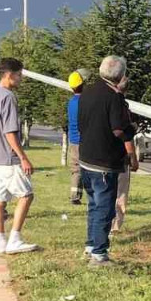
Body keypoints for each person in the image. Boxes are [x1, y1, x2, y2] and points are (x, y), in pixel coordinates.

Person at [77, 55, 136, 266]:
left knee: (93, 205)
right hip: (104, 162)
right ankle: (99, 254)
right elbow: (118, 129)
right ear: (120, 76)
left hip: (86, 158)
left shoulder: (87, 92)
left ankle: (90, 245)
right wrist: (132, 129)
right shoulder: (114, 98)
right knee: (104, 207)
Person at [0, 57, 39, 255]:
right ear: (9, 74)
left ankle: (1, 241)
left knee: (0, 200)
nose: (21, 78)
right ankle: (15, 239)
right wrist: (23, 157)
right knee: (26, 195)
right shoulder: (7, 97)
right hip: (8, 158)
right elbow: (10, 132)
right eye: (19, 74)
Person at [113, 79, 138, 232]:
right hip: (120, 159)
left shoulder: (103, 104)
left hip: (102, 158)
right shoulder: (122, 108)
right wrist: (133, 159)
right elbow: (126, 137)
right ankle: (115, 226)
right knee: (120, 193)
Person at [66, 69, 87, 205]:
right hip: (83, 140)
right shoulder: (84, 102)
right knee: (87, 168)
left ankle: (74, 196)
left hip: (73, 140)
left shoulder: (71, 102)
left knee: (75, 168)